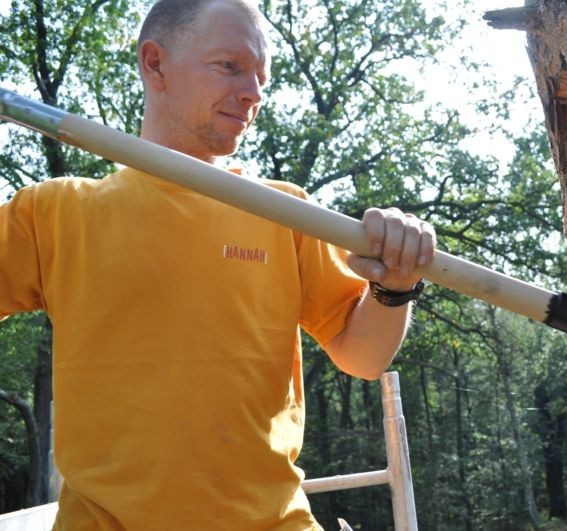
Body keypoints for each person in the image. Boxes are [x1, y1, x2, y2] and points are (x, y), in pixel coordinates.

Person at [0, 0, 435, 529]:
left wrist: (394, 287)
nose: (253, 90)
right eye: (229, 66)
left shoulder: (286, 210)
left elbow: (363, 357)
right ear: (155, 63)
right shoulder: (55, 212)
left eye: (261, 75)